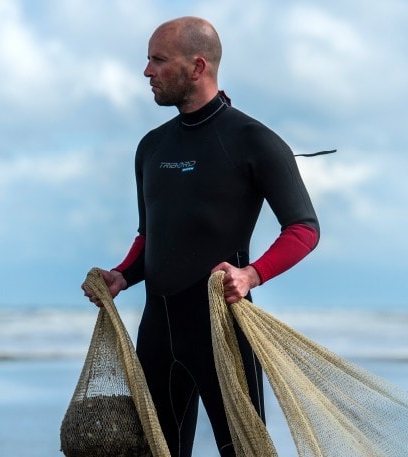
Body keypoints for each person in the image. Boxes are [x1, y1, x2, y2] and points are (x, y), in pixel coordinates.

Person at [83, 16, 320, 457]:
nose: (147, 71)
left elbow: (304, 228)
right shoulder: (152, 147)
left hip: (223, 333)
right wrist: (121, 276)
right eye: (148, 59)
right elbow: (149, 236)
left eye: (158, 60)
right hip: (157, 332)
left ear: (197, 67)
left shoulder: (253, 141)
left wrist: (251, 275)